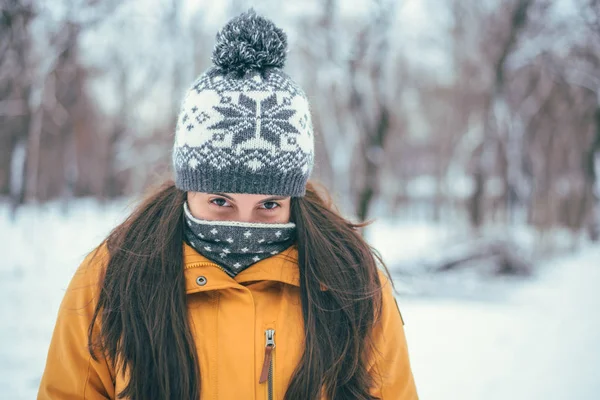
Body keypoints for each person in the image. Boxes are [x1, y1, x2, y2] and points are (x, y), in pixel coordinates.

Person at [37, 9, 418, 400]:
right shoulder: (113, 275)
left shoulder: (350, 282)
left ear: (293, 198)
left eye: (269, 205)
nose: (243, 223)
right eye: (220, 201)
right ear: (188, 188)